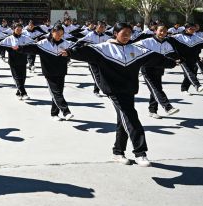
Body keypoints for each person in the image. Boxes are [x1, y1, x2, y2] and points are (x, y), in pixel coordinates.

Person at [68, 22, 180, 167]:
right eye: (124, 33)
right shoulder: (104, 48)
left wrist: (171, 63)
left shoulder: (136, 49)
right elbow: (85, 52)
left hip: (129, 89)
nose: (127, 36)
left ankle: (118, 152)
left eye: (129, 33)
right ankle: (140, 153)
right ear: (115, 33)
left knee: (124, 121)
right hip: (114, 91)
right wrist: (70, 52)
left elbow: (154, 58)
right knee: (131, 118)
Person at [17, 24, 74, 121]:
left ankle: (54, 114)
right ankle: (66, 111)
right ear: (52, 32)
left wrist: (69, 52)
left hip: (61, 71)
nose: (59, 36)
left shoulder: (65, 43)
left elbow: (77, 47)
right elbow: (31, 48)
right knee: (56, 93)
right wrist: (19, 48)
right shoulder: (44, 43)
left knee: (57, 93)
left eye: (61, 34)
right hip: (49, 73)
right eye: (58, 34)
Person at [133, 24, 190, 119]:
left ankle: (152, 110)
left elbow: (172, 54)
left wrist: (180, 59)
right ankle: (168, 107)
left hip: (160, 69)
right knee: (156, 89)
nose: (163, 33)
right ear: (155, 31)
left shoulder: (166, 43)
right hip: (148, 69)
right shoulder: (147, 42)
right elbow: (133, 47)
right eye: (160, 31)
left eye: (165, 31)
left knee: (155, 89)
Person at [0, 23, 34, 100]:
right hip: (13, 62)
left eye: (21, 30)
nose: (19, 31)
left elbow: (35, 45)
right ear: (13, 29)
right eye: (17, 29)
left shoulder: (26, 38)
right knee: (17, 78)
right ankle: (24, 93)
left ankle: (18, 92)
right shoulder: (9, 39)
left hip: (23, 62)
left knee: (23, 78)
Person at [171, 23, 203, 95]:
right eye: (190, 29)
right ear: (186, 29)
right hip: (182, 59)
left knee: (192, 74)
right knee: (189, 72)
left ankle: (184, 89)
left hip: (194, 59)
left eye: (194, 29)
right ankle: (197, 86)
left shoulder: (196, 38)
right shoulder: (178, 37)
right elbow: (166, 43)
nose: (192, 30)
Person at [77, 21, 111, 98]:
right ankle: (98, 90)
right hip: (92, 58)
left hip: (102, 58)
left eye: (104, 27)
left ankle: (97, 90)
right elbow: (80, 41)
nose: (102, 28)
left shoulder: (105, 36)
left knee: (102, 75)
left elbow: (111, 43)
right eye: (101, 26)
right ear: (97, 26)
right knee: (96, 75)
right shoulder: (91, 35)